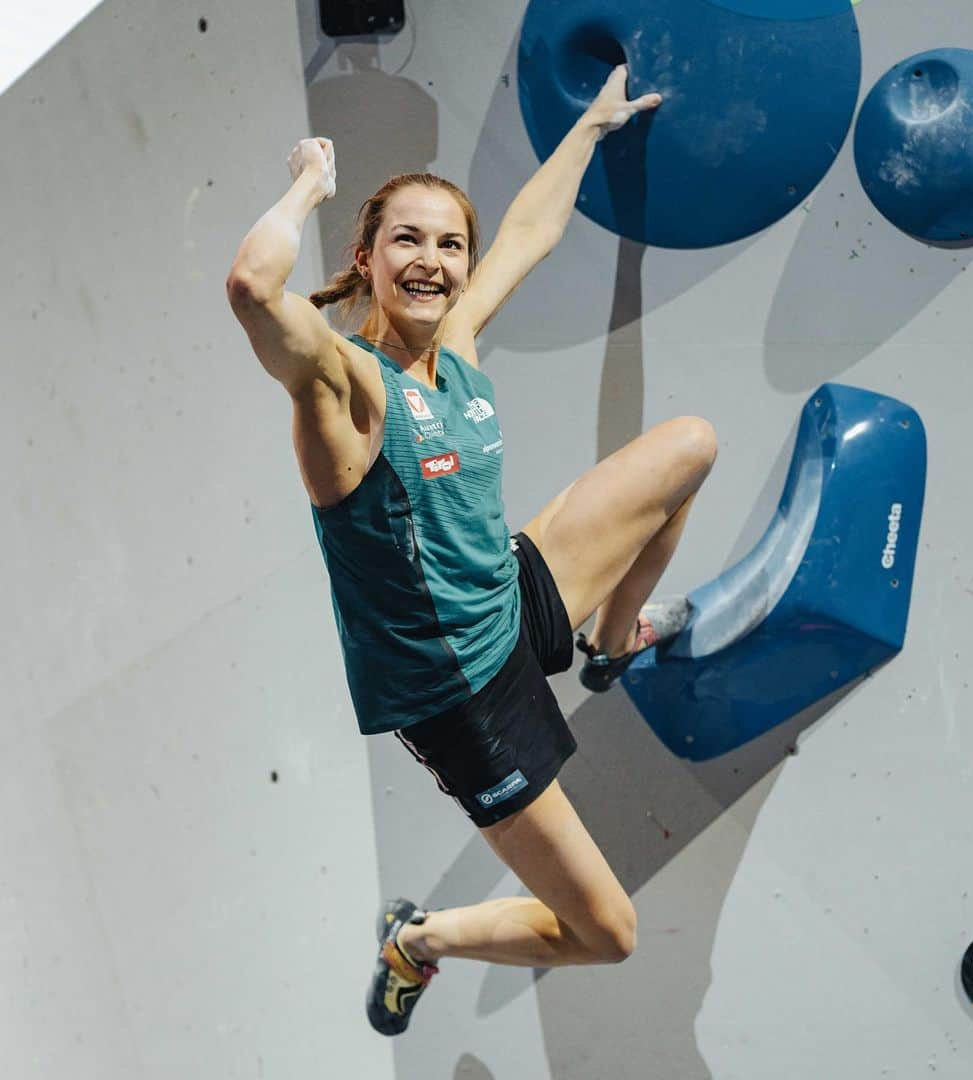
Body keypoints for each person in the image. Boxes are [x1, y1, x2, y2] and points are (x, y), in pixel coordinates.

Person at [226, 66, 716, 1037]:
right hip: (462, 699)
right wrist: (307, 187)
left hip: (508, 593)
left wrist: (589, 129)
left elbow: (530, 230)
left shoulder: (456, 344)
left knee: (690, 447)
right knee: (605, 932)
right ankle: (419, 940)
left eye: (450, 244)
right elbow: (250, 286)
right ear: (364, 259)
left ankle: (611, 649)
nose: (434, 261)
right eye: (407, 239)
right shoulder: (349, 394)